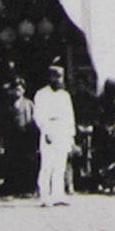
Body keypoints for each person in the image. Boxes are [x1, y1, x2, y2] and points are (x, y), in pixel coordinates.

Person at [33, 64, 78, 206]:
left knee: (60, 165)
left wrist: (71, 136)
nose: (59, 79)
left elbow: (70, 117)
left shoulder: (65, 95)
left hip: (62, 130)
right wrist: (46, 131)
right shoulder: (42, 94)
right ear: (50, 77)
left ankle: (57, 195)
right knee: (47, 165)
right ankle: (45, 196)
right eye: (56, 76)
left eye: (61, 77)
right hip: (50, 128)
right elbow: (38, 115)